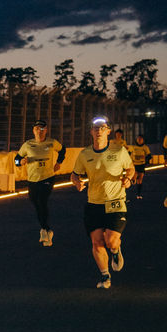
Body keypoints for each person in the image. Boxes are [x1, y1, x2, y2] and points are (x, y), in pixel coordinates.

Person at [71, 116, 134, 288]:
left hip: (115, 201)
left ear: (108, 131)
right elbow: (74, 174)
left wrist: (128, 178)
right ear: (91, 132)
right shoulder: (85, 154)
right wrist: (77, 182)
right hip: (94, 204)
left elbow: (130, 168)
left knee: (111, 241)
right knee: (97, 242)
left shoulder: (119, 151)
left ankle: (115, 250)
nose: (99, 130)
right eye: (95, 128)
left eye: (102, 128)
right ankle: (105, 276)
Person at [14, 120, 64, 244]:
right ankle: (46, 229)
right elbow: (16, 159)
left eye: (42, 129)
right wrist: (20, 162)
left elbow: (62, 150)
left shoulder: (52, 142)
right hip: (32, 179)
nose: (39, 131)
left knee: (42, 201)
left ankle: (45, 230)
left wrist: (59, 162)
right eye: (37, 129)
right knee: (34, 201)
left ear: (46, 130)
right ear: (33, 131)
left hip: (47, 178)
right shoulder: (28, 144)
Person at [130, 133, 149, 198]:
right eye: (138, 139)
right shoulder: (133, 147)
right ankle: (133, 179)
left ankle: (138, 194)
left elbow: (149, 156)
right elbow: (128, 153)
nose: (139, 140)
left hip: (141, 165)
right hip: (134, 164)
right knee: (134, 177)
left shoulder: (145, 147)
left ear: (143, 140)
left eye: (141, 139)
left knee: (140, 179)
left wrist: (146, 161)